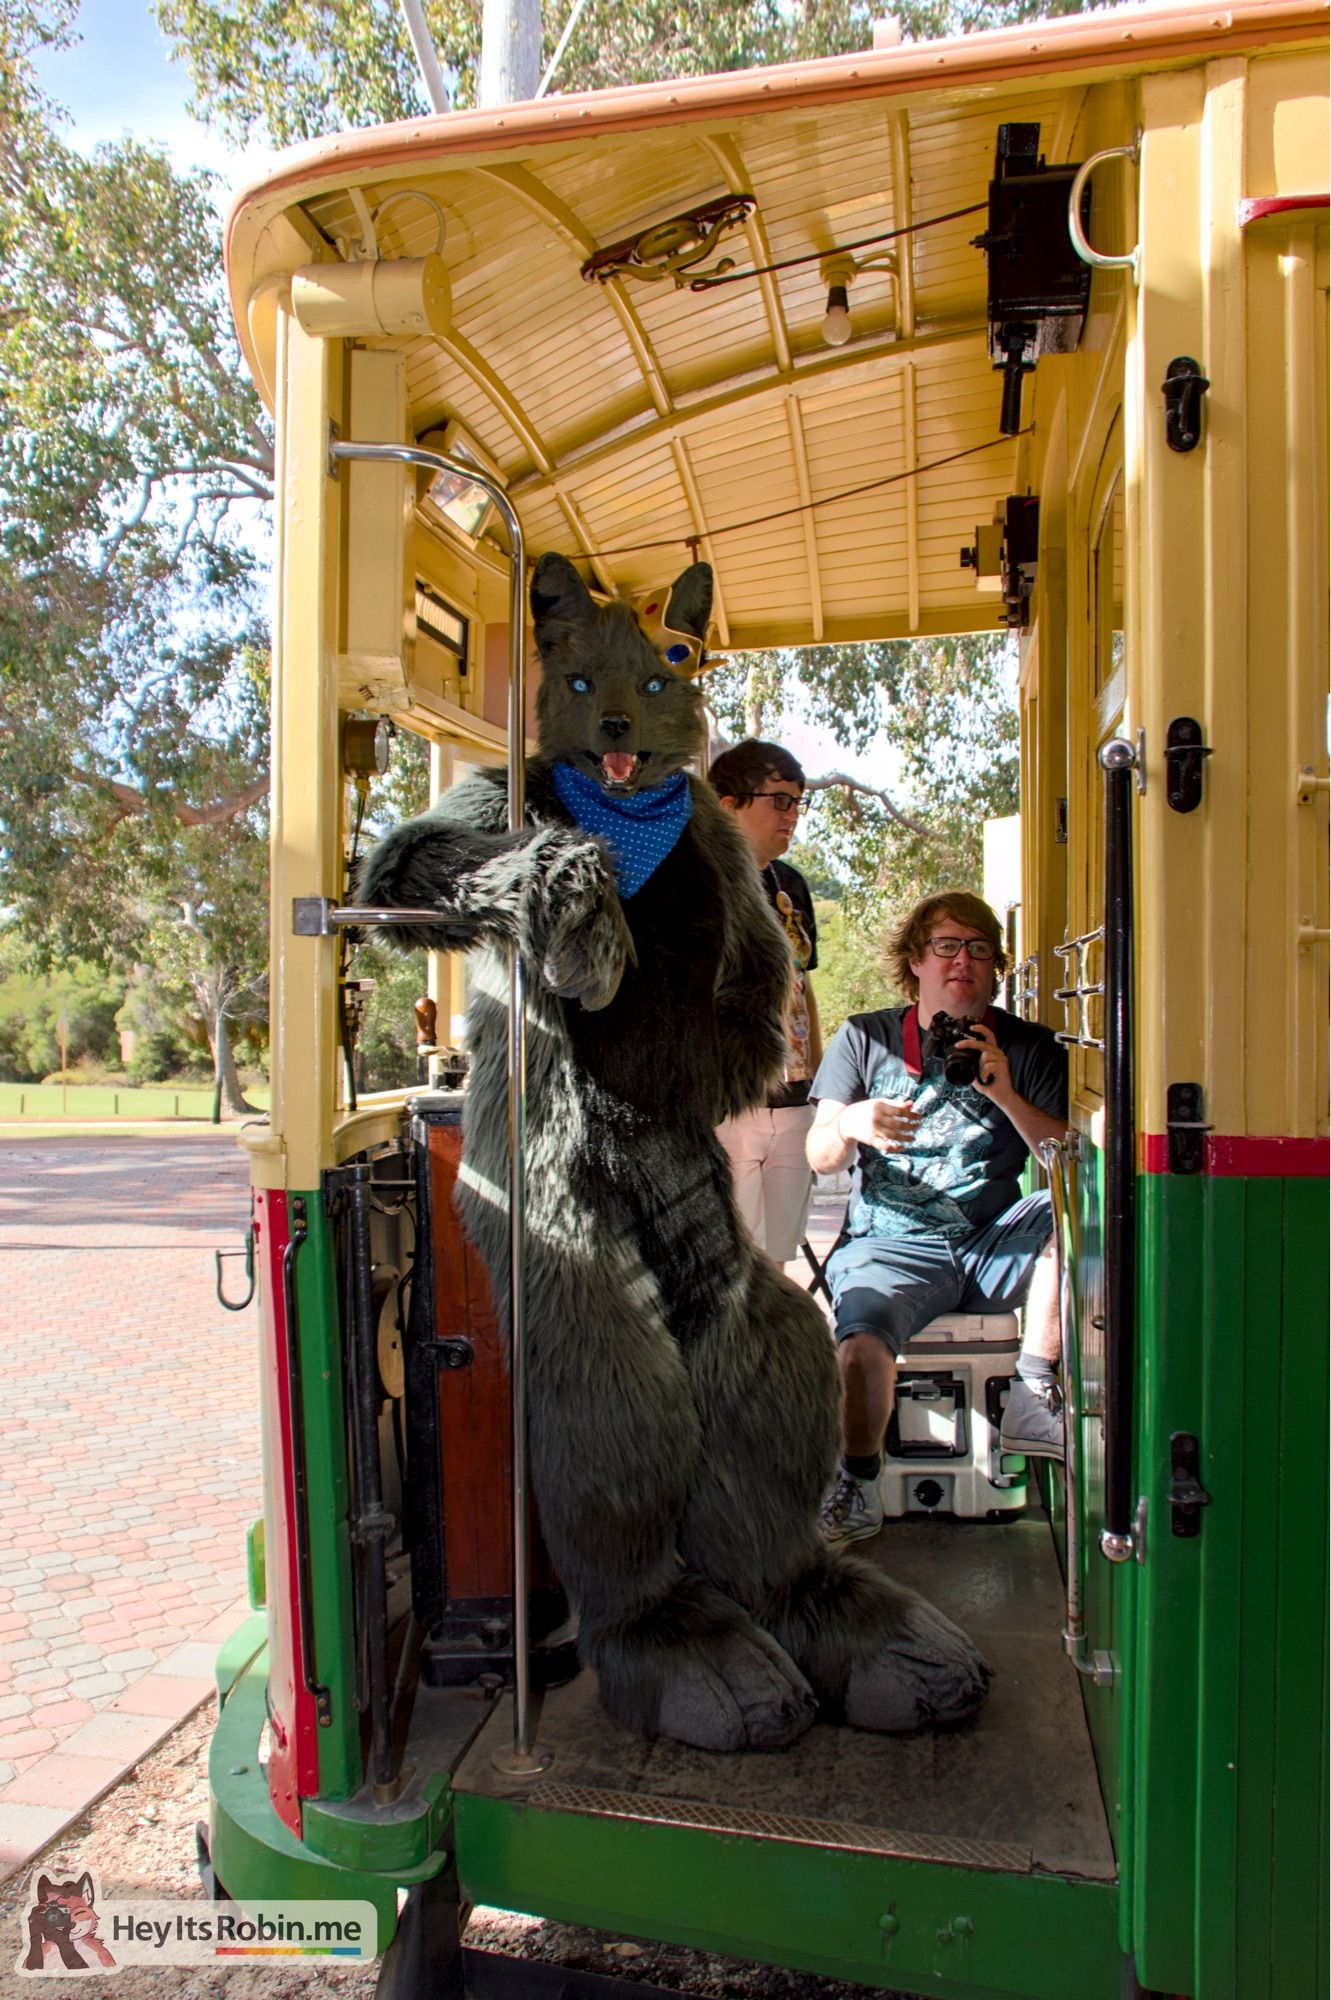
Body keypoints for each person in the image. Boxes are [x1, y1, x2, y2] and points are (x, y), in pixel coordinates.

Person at [806, 890, 1068, 1544]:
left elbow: (1064, 1163)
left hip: (991, 1242)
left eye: (978, 949)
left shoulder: (1029, 1047)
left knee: (1078, 1212)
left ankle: (1031, 1399)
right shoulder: (864, 1038)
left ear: (994, 966)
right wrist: (850, 1121)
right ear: (914, 962)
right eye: (946, 947)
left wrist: (1005, 1094)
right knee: (860, 1344)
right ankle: (858, 1480)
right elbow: (818, 1157)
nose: (962, 961)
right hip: (891, 1249)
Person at [709, 740, 823, 1265]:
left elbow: (804, 985)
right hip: (726, 1104)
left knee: (777, 1260)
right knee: (729, 1261)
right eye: (779, 800)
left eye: (799, 802)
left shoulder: (790, 884)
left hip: (793, 1101)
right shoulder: (692, 885)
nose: (793, 815)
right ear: (728, 802)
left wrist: (818, 1084)